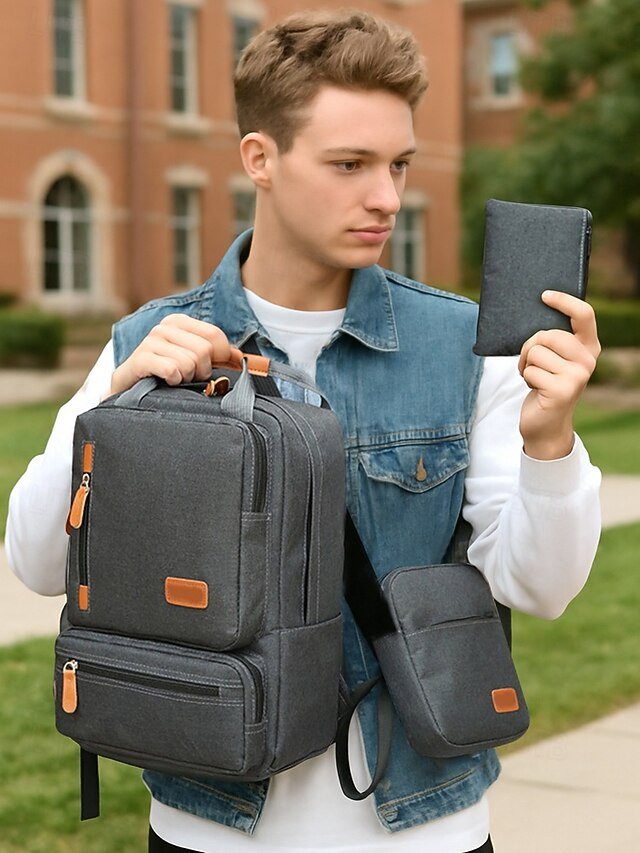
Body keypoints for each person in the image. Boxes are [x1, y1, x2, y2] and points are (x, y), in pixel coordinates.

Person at [5, 9, 602, 853]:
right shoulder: (149, 342)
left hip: (423, 830)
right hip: (209, 826)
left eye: (398, 164)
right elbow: (35, 563)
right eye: (350, 164)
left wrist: (551, 441)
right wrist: (117, 403)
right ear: (261, 158)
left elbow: (544, 588)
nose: (386, 196)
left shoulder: (463, 348)